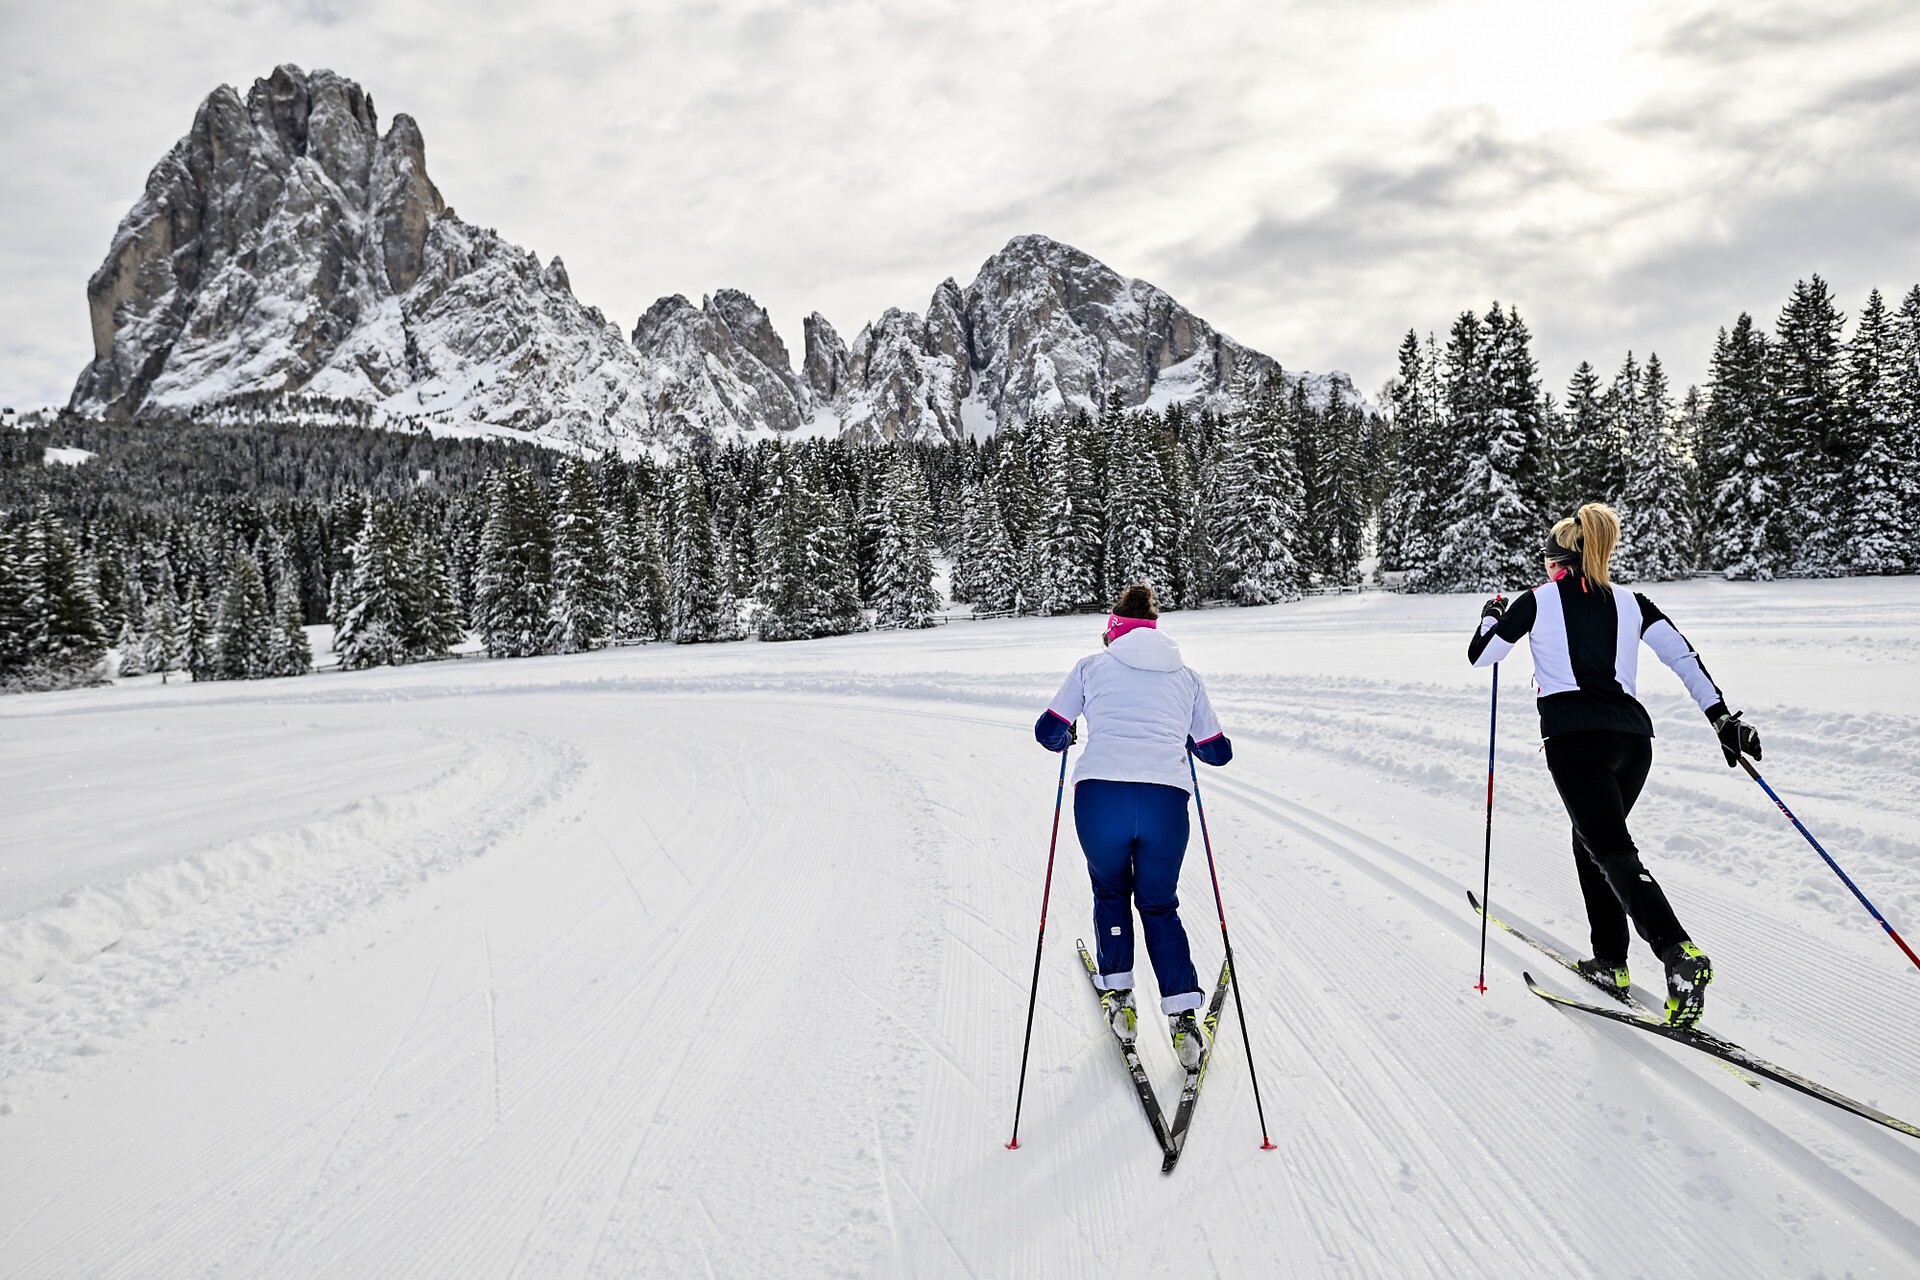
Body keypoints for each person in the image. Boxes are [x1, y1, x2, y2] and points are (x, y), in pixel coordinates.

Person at [1467, 503, 1761, 1027]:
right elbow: (1683, 658)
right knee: (1593, 842)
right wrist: (1723, 721)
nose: (1545, 570)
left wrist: (1491, 615)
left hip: (1576, 741)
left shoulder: (1537, 601)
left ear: (1561, 563)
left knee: (1609, 845)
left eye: (1548, 561)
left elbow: (1483, 655)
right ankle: (1610, 962)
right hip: (1632, 744)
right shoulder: (1633, 602)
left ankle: (1677, 952)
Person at [1035, 582, 1233, 1068]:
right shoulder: (1186, 677)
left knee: (1110, 892)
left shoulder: (1091, 667)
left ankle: (1120, 999)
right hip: (1166, 800)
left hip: (1101, 796)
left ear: (1114, 631)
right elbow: (1218, 752)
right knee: (1160, 905)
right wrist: (1185, 738)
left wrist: (1069, 734)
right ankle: (1184, 1018)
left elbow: (1048, 732)